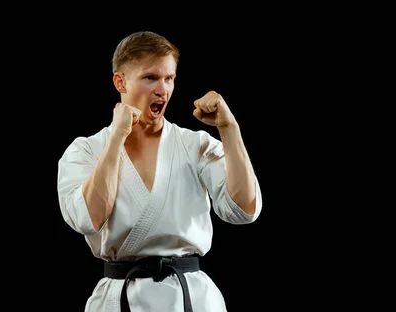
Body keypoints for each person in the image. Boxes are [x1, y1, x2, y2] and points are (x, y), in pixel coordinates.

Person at [56, 30, 263, 312]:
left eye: (169, 78)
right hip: (120, 298)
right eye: (150, 77)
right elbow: (86, 219)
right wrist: (117, 137)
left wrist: (229, 129)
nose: (163, 89)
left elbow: (244, 209)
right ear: (120, 81)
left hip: (190, 298)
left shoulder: (195, 145)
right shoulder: (86, 150)